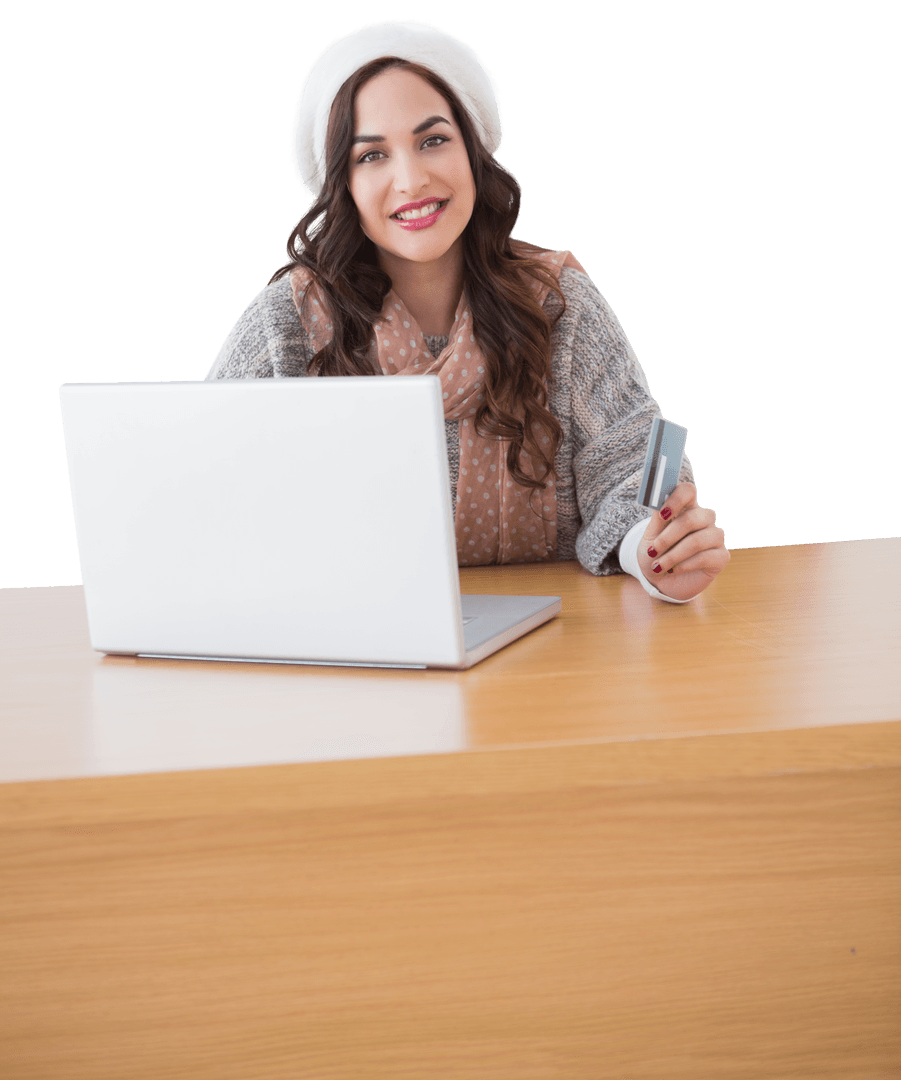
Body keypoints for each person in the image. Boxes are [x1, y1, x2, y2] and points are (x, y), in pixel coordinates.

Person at [206, 18, 729, 603]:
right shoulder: (285, 324)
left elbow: (628, 465)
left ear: (474, 150)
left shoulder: (558, 301)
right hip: (349, 665)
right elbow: (207, 501)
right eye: (372, 156)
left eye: (433, 140)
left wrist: (654, 551)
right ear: (342, 183)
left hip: (553, 658)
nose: (411, 180)